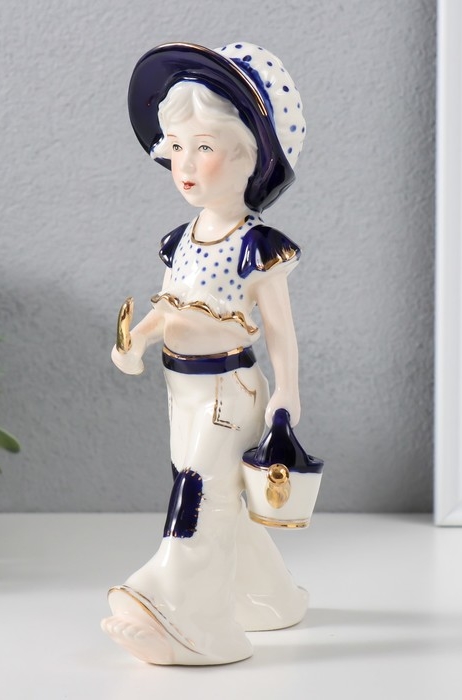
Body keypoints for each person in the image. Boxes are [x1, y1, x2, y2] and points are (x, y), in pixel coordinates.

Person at [102, 41, 308, 666]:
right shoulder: (180, 242)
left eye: (204, 148)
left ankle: (186, 616)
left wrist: (287, 393)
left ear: (248, 156)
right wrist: (137, 342)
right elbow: (168, 309)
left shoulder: (257, 246)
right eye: (176, 148)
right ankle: (269, 599)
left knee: (199, 491)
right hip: (181, 388)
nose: (185, 165)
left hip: (228, 391)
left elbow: (280, 332)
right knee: (216, 494)